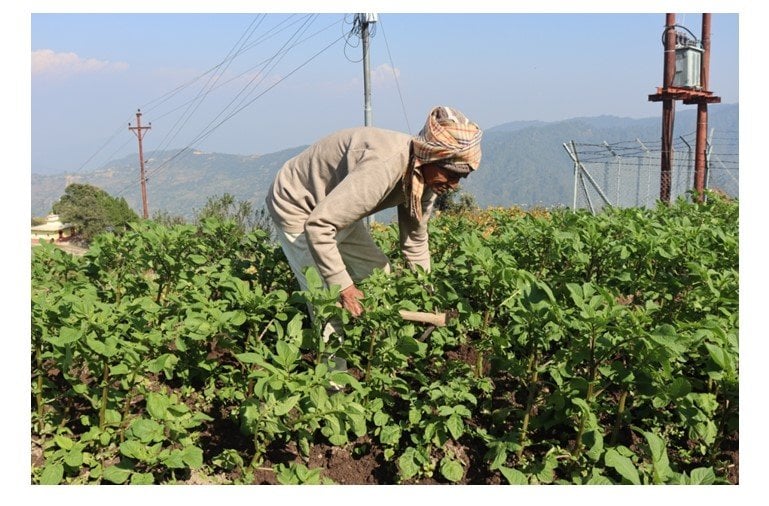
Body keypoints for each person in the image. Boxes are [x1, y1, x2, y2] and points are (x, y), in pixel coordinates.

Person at [265, 105, 483, 319]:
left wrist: (426, 294)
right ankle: (332, 352)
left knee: (378, 274)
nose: (454, 185)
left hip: (334, 209)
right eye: (451, 174)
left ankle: (363, 334)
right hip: (298, 204)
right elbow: (319, 226)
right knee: (328, 301)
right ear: (431, 157)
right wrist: (344, 288)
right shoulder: (383, 166)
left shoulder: (424, 180)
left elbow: (415, 240)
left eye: (460, 178)